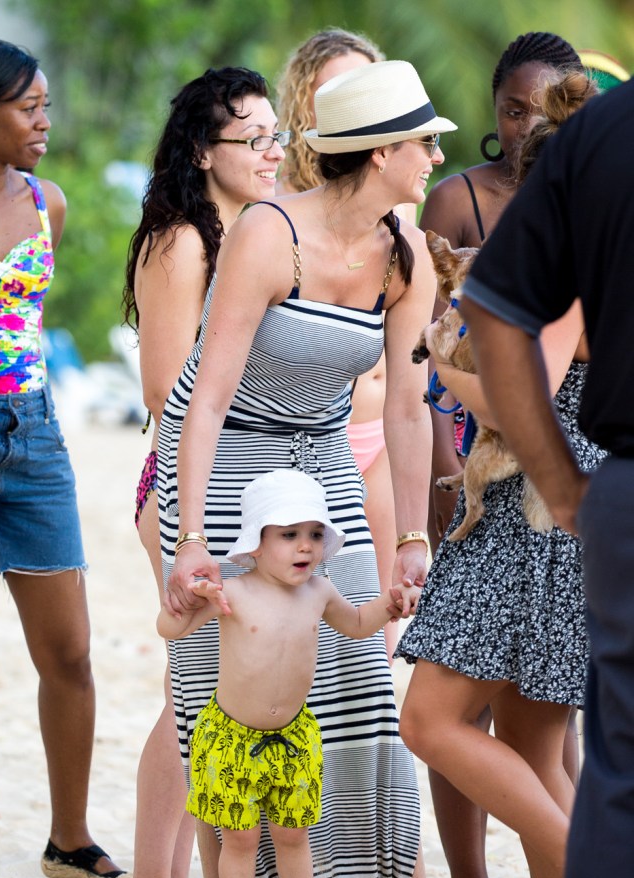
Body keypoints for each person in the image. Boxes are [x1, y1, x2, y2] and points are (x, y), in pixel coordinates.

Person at [156, 60, 477, 878]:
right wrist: (188, 540)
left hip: (321, 457)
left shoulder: (407, 248)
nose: (433, 156)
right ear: (380, 153)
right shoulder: (270, 232)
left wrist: (412, 538)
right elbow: (206, 397)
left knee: (360, 679)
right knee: (219, 680)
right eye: (423, 142)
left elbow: (411, 406)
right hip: (228, 457)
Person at [397, 68, 603, 878]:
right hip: (570, 503)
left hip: (531, 505)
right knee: (534, 744)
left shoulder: (569, 259)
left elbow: (535, 405)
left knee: (430, 721)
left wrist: (445, 371)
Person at [457, 70, 634, 878]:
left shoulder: (605, 137)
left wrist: (560, 478)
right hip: (583, 484)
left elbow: (497, 311)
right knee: (565, 744)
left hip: (591, 491)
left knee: (608, 772)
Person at [120, 66, 285, 878]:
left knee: (217, 685)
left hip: (243, 476)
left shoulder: (256, 227)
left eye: (275, 136)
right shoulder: (182, 239)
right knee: (192, 682)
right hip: (186, 483)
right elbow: (163, 387)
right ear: (200, 150)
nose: (270, 152)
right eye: (251, 139)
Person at [0, 36, 121, 878]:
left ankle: (68, 836)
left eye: (48, 105)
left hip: (37, 436)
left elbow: (19, 323)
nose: (45, 122)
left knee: (71, 652)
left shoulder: (46, 203)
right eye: (29, 107)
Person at [158, 469, 407, 878]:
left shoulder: (319, 591)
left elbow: (357, 624)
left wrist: (390, 604)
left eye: (315, 535)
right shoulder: (234, 591)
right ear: (256, 543)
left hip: (294, 739)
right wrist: (188, 599)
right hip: (229, 737)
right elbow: (169, 629)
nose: (305, 547)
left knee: (294, 838)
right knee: (241, 840)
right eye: (288, 535)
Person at [276, 29, 411, 657]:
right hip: (292, 435)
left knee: (374, 628)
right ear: (307, 102)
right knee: (277, 625)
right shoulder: (273, 205)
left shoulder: (400, 214)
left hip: (376, 436)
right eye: (334, 88)